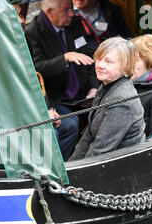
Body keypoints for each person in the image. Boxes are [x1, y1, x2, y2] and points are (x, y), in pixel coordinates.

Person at [25, 0, 100, 160]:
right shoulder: (33, 32)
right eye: (66, 11)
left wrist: (93, 88)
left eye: (71, 9)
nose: (72, 14)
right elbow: (37, 69)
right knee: (70, 124)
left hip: (82, 94)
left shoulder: (75, 24)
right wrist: (65, 58)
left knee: (102, 113)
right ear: (50, 12)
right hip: (56, 97)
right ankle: (64, 168)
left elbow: (88, 58)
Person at [69, 37, 145, 160]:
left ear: (125, 66)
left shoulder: (122, 100)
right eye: (99, 59)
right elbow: (89, 135)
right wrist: (70, 167)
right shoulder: (105, 85)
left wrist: (76, 176)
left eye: (108, 62)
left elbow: (101, 150)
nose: (100, 65)